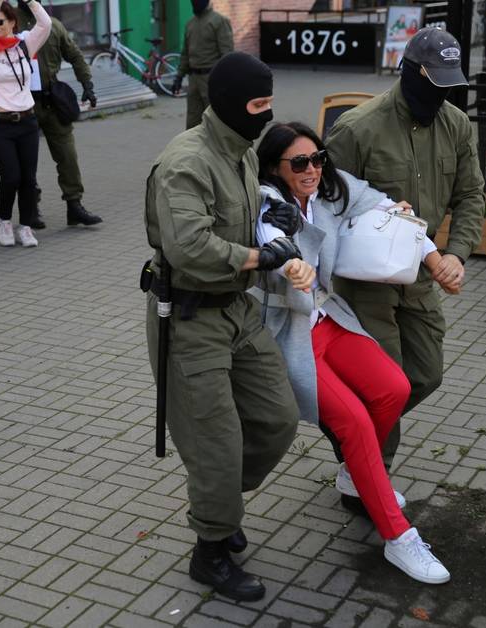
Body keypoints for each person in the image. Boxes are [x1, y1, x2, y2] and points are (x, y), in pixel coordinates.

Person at [252, 122, 451, 584]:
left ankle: (353, 474)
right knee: (355, 423)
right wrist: (290, 260)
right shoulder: (268, 201)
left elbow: (381, 204)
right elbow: (271, 240)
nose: (312, 170)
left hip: (329, 318)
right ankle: (399, 539)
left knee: (394, 388)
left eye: (317, 158)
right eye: (299, 163)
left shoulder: (331, 189)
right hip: (289, 332)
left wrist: (427, 248)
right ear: (275, 168)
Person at [144, 52, 308, 602]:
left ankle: (219, 503)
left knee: (278, 418)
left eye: (270, 105)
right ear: (233, 103)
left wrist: (272, 218)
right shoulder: (186, 161)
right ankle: (210, 551)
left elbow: (239, 215)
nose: (266, 117)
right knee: (216, 440)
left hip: (236, 309)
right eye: (259, 106)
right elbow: (188, 245)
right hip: (190, 317)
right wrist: (259, 258)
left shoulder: (238, 151)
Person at [326, 28, 485, 507]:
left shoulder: (457, 125)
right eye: (435, 83)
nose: (441, 95)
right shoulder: (357, 128)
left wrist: (456, 252)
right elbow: (326, 205)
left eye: (450, 85)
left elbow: (471, 193)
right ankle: (367, 480)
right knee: (389, 380)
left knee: (427, 373)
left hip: (419, 277)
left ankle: (349, 432)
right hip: (365, 281)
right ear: (413, 72)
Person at [15, 0, 103, 229]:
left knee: (68, 155)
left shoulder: (53, 25)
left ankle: (74, 205)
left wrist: (87, 85)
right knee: (26, 160)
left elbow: (74, 55)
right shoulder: (10, 22)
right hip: (23, 103)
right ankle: (30, 207)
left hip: (51, 101)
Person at [0, 0, 51, 248]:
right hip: (1, 125)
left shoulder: (24, 46)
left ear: (12, 23)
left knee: (28, 179)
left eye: (0, 22)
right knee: (11, 178)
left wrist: (31, 2)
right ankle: (4, 221)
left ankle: (25, 227)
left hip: (27, 122)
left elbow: (45, 23)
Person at [172, 0, 234, 129]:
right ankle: (192, 148)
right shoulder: (190, 24)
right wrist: (179, 77)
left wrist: (226, 80)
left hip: (211, 78)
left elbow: (227, 54)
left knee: (215, 120)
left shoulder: (218, 21)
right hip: (194, 79)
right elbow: (185, 54)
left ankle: (218, 148)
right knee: (193, 121)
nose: (195, 3)